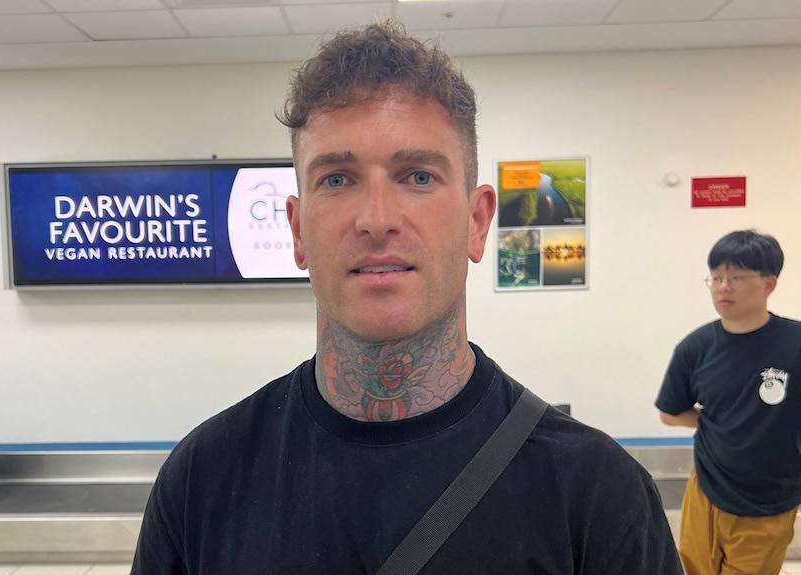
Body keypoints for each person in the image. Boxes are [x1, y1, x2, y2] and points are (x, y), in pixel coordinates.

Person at [131, 20, 682, 574]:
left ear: (477, 221)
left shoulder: (598, 494)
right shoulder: (203, 479)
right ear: (297, 232)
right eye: (338, 179)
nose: (376, 220)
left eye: (418, 176)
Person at [656, 229, 801, 575]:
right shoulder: (695, 348)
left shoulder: (795, 344)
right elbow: (670, 412)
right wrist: (717, 423)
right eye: (716, 277)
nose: (723, 286)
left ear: (769, 283)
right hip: (706, 490)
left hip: (769, 501)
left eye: (736, 277)